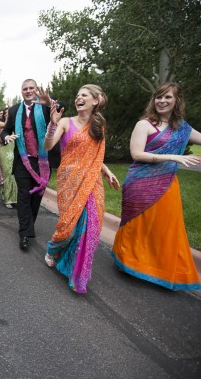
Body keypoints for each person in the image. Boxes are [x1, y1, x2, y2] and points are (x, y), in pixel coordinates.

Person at [112, 82, 201, 290]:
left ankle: (158, 269)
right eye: (158, 97)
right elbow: (136, 154)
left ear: (176, 100)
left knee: (165, 229)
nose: (162, 101)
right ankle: (129, 262)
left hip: (168, 183)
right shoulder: (144, 124)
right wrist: (173, 157)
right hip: (140, 183)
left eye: (167, 97)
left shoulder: (182, 128)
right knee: (139, 226)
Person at [43, 85, 120, 293]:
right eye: (77, 95)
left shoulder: (98, 125)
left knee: (91, 225)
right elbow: (48, 146)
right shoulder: (65, 123)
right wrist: (52, 124)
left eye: (84, 95)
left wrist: (106, 170)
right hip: (69, 179)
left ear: (95, 101)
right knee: (68, 228)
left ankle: (75, 270)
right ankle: (52, 249)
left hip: (91, 181)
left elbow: (96, 155)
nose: (79, 98)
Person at [0, 79, 60, 252]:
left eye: (31, 88)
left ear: (36, 90)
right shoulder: (14, 110)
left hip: (42, 160)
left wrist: (49, 102)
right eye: (25, 88)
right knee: (24, 196)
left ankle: (29, 225)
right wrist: (5, 137)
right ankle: (25, 234)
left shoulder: (47, 105)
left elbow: (63, 108)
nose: (28, 91)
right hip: (23, 160)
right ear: (21, 91)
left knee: (37, 197)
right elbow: (5, 129)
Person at [0, 108, 17, 209]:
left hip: (14, 152)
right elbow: (0, 141)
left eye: (10, 113)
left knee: (14, 176)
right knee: (7, 174)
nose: (8, 115)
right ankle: (7, 199)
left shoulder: (16, 124)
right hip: (5, 152)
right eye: (6, 113)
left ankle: (14, 198)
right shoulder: (2, 126)